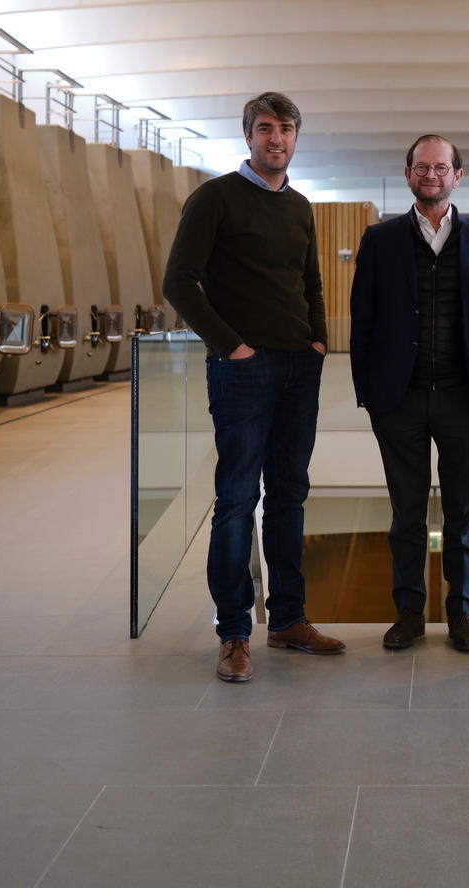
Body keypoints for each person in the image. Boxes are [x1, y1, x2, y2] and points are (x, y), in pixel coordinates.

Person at [162, 92, 344, 684]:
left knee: (289, 494)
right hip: (242, 370)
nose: (277, 139)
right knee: (238, 499)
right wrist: (229, 345)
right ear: (248, 137)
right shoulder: (214, 199)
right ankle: (234, 632)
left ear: (296, 137)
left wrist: (317, 339)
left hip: (299, 368)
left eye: (286, 129)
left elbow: (311, 284)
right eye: (265, 129)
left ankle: (289, 618)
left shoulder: (299, 206)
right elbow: (179, 282)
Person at [349, 135, 469, 652]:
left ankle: (462, 614)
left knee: (464, 511)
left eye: (441, 167)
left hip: (468, 400)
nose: (432, 175)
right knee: (406, 512)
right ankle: (409, 613)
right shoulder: (380, 240)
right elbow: (363, 323)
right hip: (399, 401)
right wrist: (370, 393)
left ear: (457, 176)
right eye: (422, 167)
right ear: (407, 175)